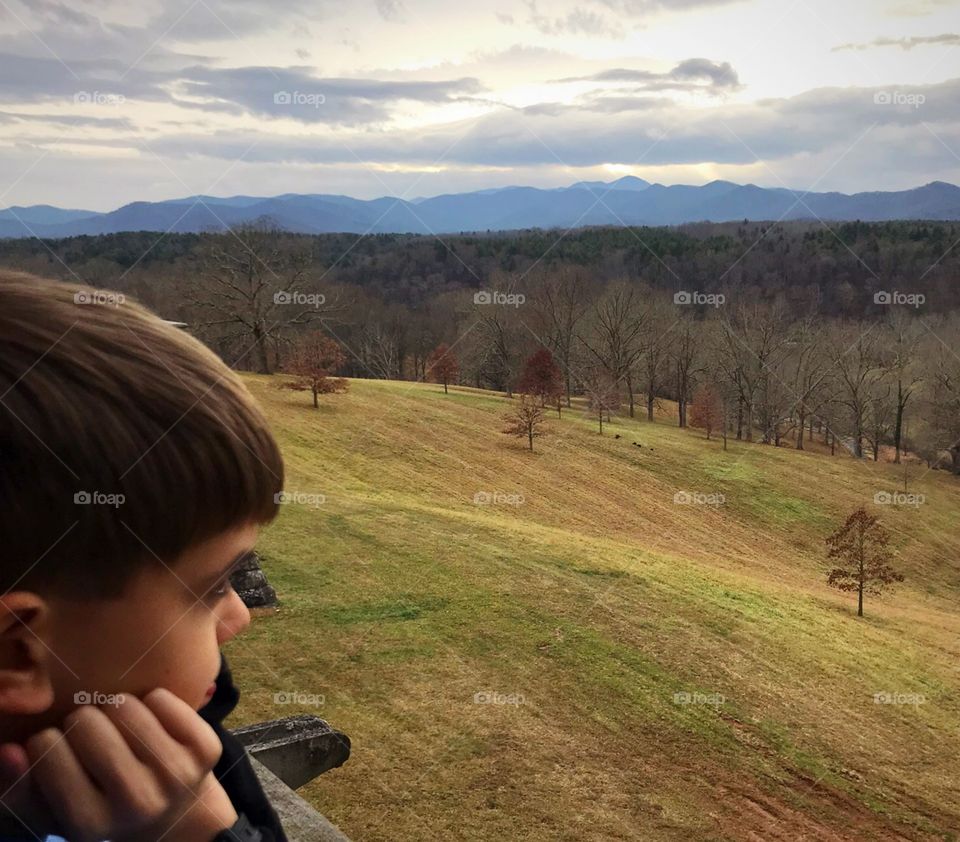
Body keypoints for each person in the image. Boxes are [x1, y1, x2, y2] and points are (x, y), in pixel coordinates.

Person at [0, 271, 288, 841]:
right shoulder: (171, 791)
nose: (239, 619)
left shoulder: (169, 726)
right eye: (212, 588)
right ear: (16, 652)